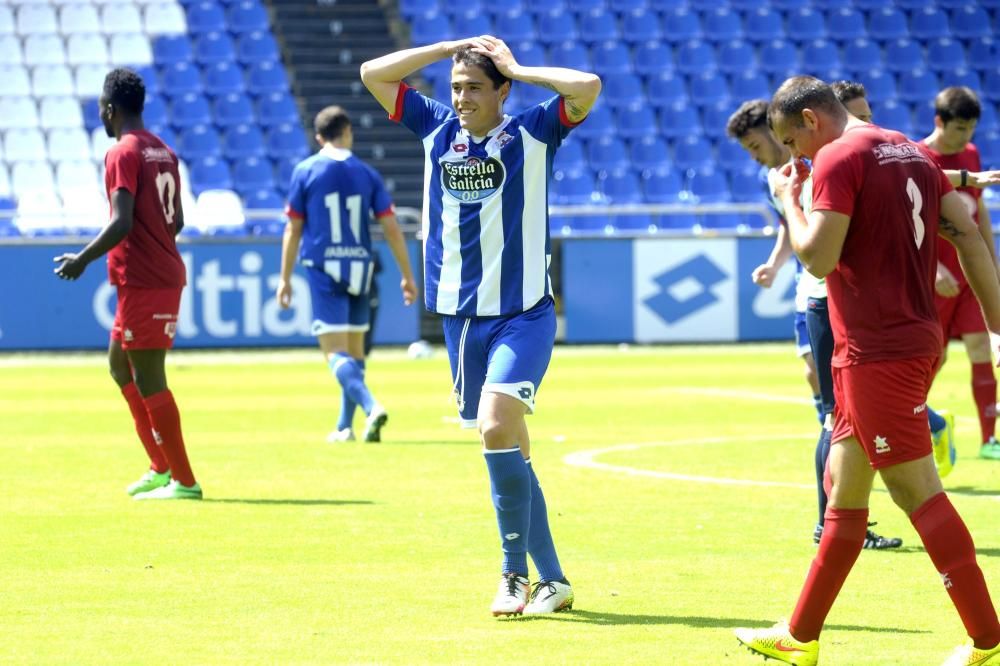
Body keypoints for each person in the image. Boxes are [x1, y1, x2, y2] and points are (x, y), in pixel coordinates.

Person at [736, 76, 1000, 666]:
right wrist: (998, 321)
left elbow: (819, 258)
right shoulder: (910, 149)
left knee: (917, 493)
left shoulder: (836, 156)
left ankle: (990, 640)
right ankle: (800, 635)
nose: (794, 157)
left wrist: (787, 199)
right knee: (843, 493)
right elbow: (969, 236)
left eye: (790, 141)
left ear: (811, 119)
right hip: (893, 343)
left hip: (878, 351)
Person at [360, 35, 600, 617]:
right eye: (457, 89)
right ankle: (554, 581)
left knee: (495, 426)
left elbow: (587, 86)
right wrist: (446, 49)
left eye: (474, 88)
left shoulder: (535, 132)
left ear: (502, 92)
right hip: (463, 320)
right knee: (510, 447)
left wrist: (518, 66)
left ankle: (511, 574)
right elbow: (374, 73)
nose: (462, 98)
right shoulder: (437, 128)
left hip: (524, 313)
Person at [727, 98, 902, 550]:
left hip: (834, 297)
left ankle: (839, 522)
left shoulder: (819, 161)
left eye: (755, 145)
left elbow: (801, 223)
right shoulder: (790, 174)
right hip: (824, 297)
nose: (757, 154)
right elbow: (803, 225)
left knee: (841, 412)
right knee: (835, 416)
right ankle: (832, 524)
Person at [53, 67, 200, 500]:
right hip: (146, 276)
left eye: (101, 107)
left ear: (111, 108)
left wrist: (81, 259)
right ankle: (160, 465)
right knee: (120, 366)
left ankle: (185, 481)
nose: (100, 114)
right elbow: (179, 220)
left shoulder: (123, 152)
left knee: (151, 378)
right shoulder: (163, 150)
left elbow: (121, 221)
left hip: (146, 279)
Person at [277, 105, 417, 443]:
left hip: (325, 269)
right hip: (360, 266)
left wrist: (284, 277)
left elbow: (293, 229)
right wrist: (407, 275)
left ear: (319, 137)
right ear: (349, 132)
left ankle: (370, 406)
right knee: (355, 353)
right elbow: (392, 228)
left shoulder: (306, 171)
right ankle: (345, 427)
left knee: (334, 352)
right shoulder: (368, 174)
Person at [920, 87, 1000, 466]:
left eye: (970, 129)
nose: (965, 137)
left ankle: (989, 440)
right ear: (939, 122)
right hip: (932, 277)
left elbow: (976, 210)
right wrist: (933, 267)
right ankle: (922, 426)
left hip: (970, 274)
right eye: (958, 129)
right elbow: (912, 221)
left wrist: (991, 259)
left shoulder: (970, 156)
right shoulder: (920, 159)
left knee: (981, 349)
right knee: (932, 358)